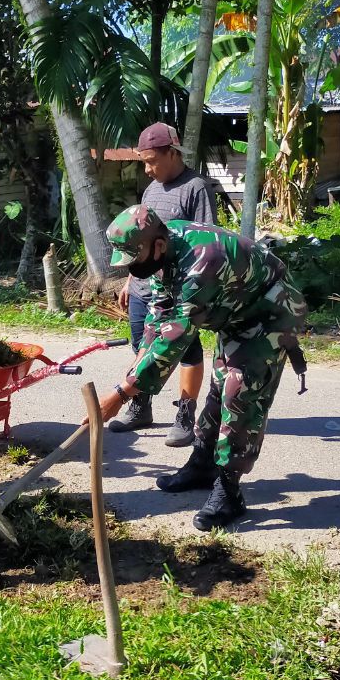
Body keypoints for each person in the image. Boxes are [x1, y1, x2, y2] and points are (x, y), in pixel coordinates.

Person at [95, 205, 307, 530]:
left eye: (134, 259)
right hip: (236, 312)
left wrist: (121, 394)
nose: (132, 268)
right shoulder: (164, 249)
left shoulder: (201, 261)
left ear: (158, 246)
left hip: (270, 313)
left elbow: (176, 337)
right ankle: (203, 464)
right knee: (220, 388)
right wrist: (137, 364)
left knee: (239, 393)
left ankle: (228, 491)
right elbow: (160, 313)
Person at [111, 123, 218, 447]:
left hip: (179, 288)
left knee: (185, 349)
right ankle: (140, 406)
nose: (147, 169)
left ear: (172, 153)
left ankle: (185, 413)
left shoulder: (196, 188)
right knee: (141, 346)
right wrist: (130, 279)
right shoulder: (151, 190)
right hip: (144, 288)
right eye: (144, 162)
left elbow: (206, 242)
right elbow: (138, 240)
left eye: (151, 161)